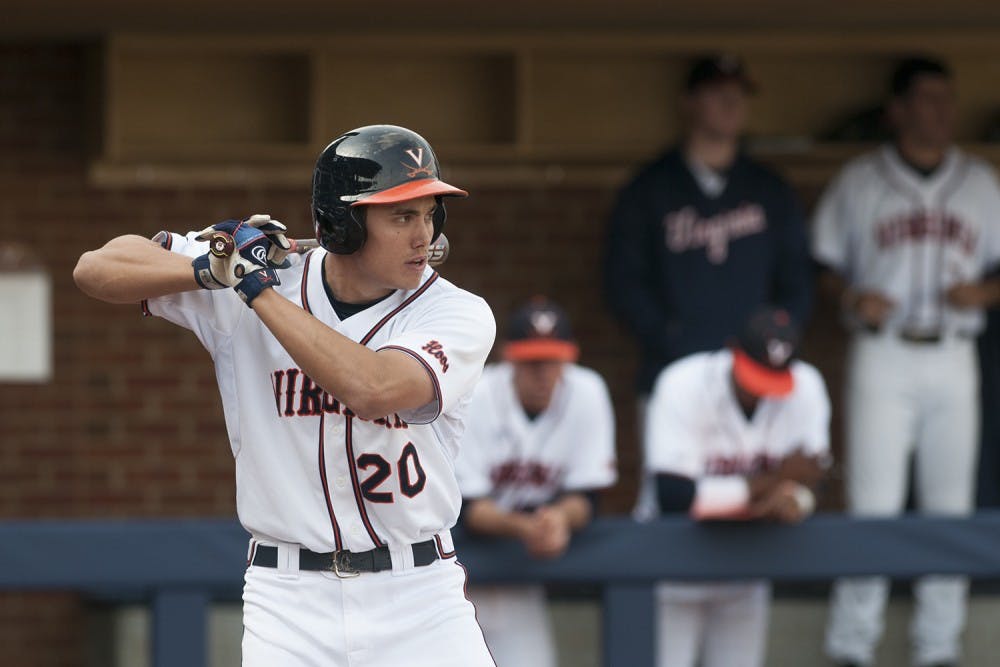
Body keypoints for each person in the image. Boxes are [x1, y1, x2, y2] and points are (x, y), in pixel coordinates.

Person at [73, 125, 498, 667]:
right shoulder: (255, 279)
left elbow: (374, 389)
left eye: (429, 214)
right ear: (343, 223)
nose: (424, 235)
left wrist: (253, 288)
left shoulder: (456, 311)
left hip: (418, 595)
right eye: (401, 216)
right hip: (288, 598)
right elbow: (97, 268)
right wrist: (210, 270)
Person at [813, 57, 1000, 667]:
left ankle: (938, 646)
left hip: (954, 353)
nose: (942, 111)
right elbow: (820, 264)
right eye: (927, 99)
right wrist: (851, 298)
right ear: (897, 110)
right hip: (883, 353)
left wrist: (985, 293)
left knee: (950, 508)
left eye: (948, 98)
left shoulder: (980, 182)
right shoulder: (860, 181)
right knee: (872, 506)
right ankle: (851, 645)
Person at [602, 54, 812, 516]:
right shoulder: (650, 188)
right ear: (689, 102)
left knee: (757, 500)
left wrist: (776, 345)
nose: (732, 103)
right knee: (668, 502)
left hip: (758, 379)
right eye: (719, 93)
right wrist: (669, 337)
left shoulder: (769, 188)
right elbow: (623, 282)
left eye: (739, 94)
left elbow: (798, 279)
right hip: (675, 371)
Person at [643, 307, 830, 667]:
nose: (760, 392)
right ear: (732, 352)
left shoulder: (807, 386)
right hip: (674, 564)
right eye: (755, 376)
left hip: (748, 565)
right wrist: (774, 481)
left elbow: (813, 482)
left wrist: (797, 500)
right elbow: (674, 497)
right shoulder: (682, 383)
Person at [453, 297, 617, 667]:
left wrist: (558, 519)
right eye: (532, 362)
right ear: (509, 358)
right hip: (459, 574)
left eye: (552, 361)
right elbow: (468, 508)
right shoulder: (476, 393)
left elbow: (588, 496)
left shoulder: (587, 391)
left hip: (519, 581)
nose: (543, 373)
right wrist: (528, 527)